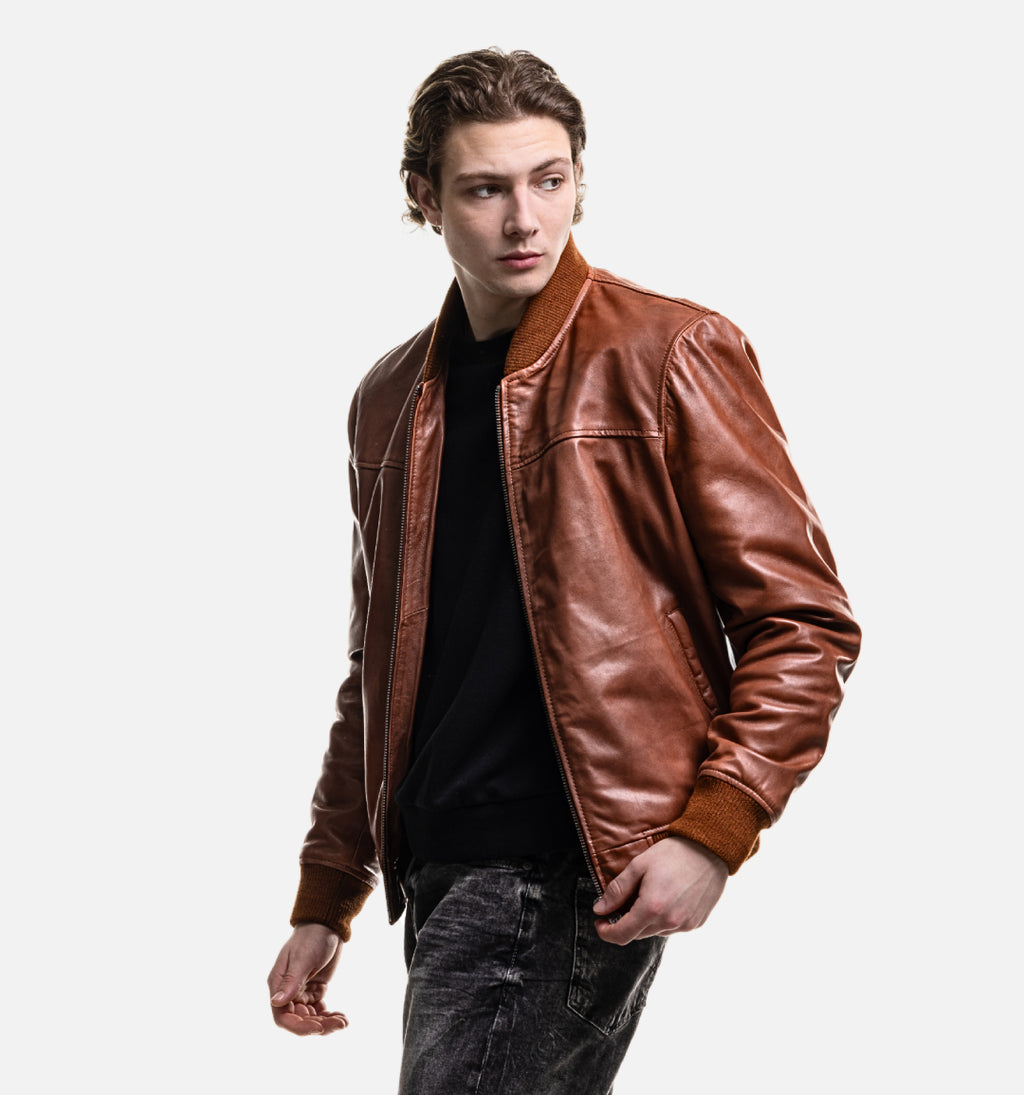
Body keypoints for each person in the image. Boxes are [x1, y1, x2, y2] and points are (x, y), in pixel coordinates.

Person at [268, 47, 860, 1094]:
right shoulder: (390, 399)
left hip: (566, 862)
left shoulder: (668, 351)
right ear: (424, 198)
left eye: (549, 180)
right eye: (485, 189)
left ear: (579, 178)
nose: (525, 220)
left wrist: (716, 829)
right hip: (439, 868)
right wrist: (329, 891)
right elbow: (380, 668)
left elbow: (801, 622)